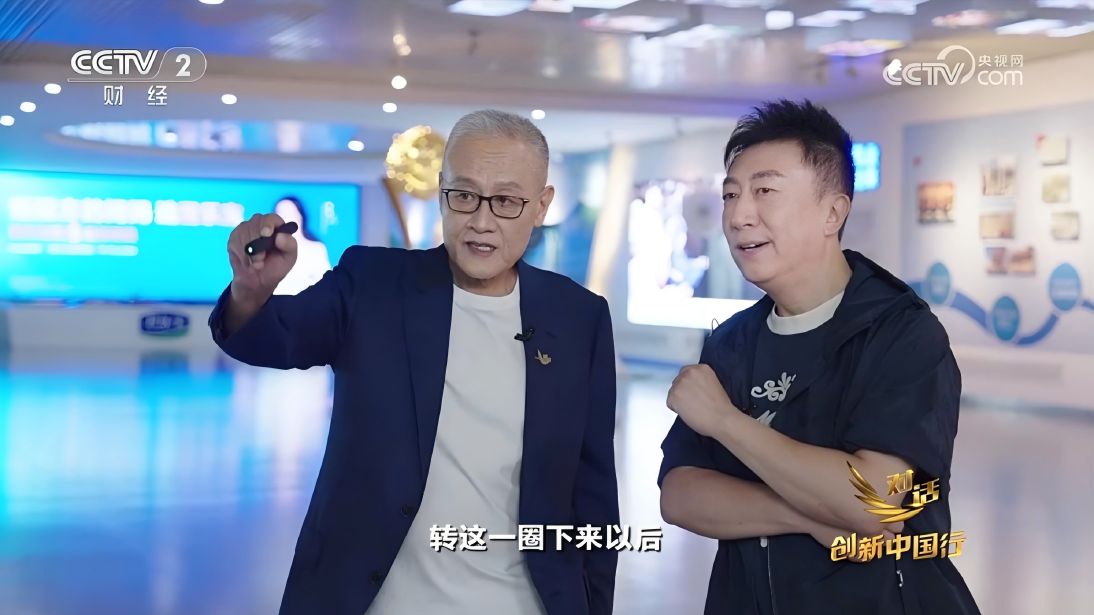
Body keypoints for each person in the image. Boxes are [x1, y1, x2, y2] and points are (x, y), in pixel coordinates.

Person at [210, 110, 619, 615]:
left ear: (541, 206)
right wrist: (251, 291)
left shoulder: (577, 317)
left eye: (507, 201)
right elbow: (272, 339)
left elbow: (593, 493)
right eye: (464, 195)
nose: (482, 221)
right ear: (441, 190)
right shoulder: (374, 284)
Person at [658, 99, 980, 614]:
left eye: (765, 191)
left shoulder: (901, 333)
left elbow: (874, 502)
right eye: (731, 194)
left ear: (833, 212)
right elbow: (680, 495)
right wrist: (807, 516)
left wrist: (725, 422)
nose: (739, 215)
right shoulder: (732, 342)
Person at [271, 196, 332, 295]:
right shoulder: (269, 251)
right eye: (280, 214)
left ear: (300, 215)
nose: (284, 218)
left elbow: (326, 286)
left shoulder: (316, 249)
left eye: (288, 213)